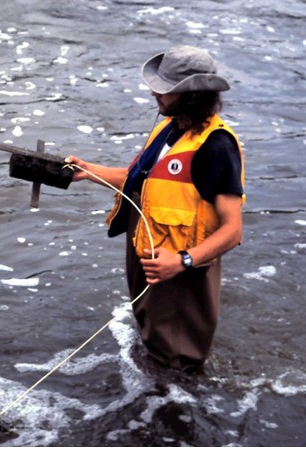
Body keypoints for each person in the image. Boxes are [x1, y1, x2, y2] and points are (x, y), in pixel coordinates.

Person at [66, 45, 244, 372]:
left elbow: (232, 231)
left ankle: (177, 410)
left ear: (191, 95)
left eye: (164, 90)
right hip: (150, 258)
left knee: (176, 362)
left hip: (181, 268)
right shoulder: (171, 126)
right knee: (154, 340)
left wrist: (181, 261)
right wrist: (88, 170)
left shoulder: (217, 147)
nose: (153, 93)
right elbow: (141, 181)